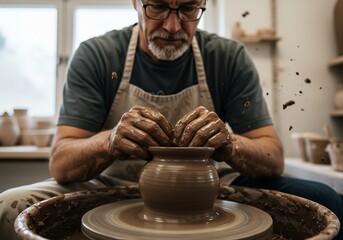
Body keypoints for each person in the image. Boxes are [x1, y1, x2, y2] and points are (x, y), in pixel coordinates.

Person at [0, 0, 342, 239]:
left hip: (215, 186)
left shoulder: (227, 56)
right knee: (5, 209)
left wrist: (231, 143)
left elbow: (273, 156)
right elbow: (61, 161)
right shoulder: (98, 55)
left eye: (189, 8)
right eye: (159, 5)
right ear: (135, 2)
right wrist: (109, 141)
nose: (174, 25)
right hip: (109, 185)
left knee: (326, 201)